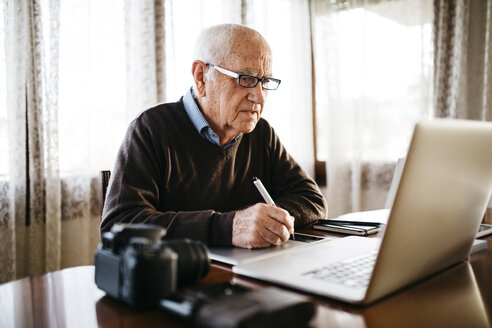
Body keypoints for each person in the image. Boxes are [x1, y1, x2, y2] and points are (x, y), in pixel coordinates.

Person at [100, 24, 327, 249]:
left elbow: (312, 200)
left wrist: (264, 222)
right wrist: (229, 227)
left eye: (265, 81)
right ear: (201, 77)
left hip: (249, 272)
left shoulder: (261, 133)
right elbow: (118, 225)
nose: (259, 97)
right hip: (178, 278)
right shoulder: (151, 129)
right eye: (245, 78)